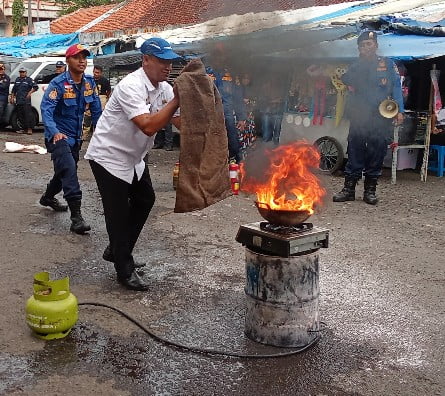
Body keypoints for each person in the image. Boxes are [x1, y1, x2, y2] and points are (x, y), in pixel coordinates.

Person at [85, 37, 181, 291]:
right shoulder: (131, 86)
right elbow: (148, 126)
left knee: (145, 199)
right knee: (117, 213)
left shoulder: (165, 89)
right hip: (109, 156)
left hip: (134, 157)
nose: (168, 67)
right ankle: (123, 269)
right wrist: (175, 102)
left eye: (170, 62)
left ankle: (117, 249)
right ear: (146, 60)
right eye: (162, 61)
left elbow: (180, 122)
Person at [333, 31, 404, 205]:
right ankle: (349, 189)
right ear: (359, 49)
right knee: (355, 148)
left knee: (377, 150)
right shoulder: (356, 65)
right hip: (359, 115)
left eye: (369, 44)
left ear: (376, 45)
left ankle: (370, 190)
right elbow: (346, 79)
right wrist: (359, 65)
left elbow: (395, 87)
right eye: (362, 45)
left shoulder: (387, 65)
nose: (366, 47)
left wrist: (400, 110)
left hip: (380, 116)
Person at [39, 43, 102, 234]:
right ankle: (77, 218)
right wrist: (55, 132)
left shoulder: (90, 83)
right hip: (58, 137)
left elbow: (97, 110)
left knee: (65, 170)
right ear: (68, 60)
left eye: (84, 57)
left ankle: (48, 197)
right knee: (68, 169)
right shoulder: (57, 84)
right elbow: (46, 111)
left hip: (76, 138)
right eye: (77, 57)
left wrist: (100, 132)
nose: (82, 61)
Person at [206, 46, 246, 163]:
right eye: (216, 56)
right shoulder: (206, 73)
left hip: (227, 114)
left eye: (221, 56)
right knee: (211, 144)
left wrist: (241, 118)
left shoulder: (231, 75)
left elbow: (238, 97)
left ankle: (238, 165)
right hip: (210, 115)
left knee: (233, 143)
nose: (219, 59)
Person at [10, 67, 38, 135]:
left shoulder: (29, 80)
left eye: (23, 72)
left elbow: (35, 87)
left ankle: (29, 129)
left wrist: (29, 93)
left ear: (26, 72)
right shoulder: (17, 79)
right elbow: (14, 89)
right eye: (21, 72)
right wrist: (12, 97)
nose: (22, 73)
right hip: (19, 100)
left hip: (26, 100)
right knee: (20, 115)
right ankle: (24, 129)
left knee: (27, 115)